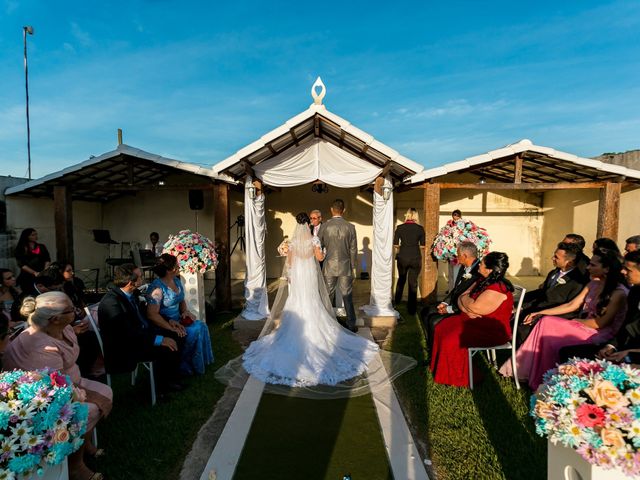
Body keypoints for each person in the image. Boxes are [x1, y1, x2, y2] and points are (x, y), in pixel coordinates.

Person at [241, 212, 379, 386]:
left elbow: (289, 263)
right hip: (309, 275)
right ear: (308, 224)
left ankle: (294, 331)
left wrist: (290, 276)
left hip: (298, 276)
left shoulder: (292, 243)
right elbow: (320, 257)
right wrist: (325, 251)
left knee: (297, 301)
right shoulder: (314, 240)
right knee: (312, 301)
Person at [3, 292, 112, 480]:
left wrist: (75, 332)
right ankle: (75, 465)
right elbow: (55, 386)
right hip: (43, 396)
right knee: (87, 411)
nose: (76, 312)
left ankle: (83, 443)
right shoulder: (40, 347)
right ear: (55, 319)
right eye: (71, 310)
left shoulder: (64, 328)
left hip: (69, 382)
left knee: (105, 391)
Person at [500, 248, 628, 389]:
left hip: (599, 332)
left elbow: (600, 323)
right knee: (545, 322)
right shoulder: (593, 284)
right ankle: (535, 374)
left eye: (592, 265)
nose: (587, 267)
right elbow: (572, 305)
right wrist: (542, 312)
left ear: (607, 269)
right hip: (583, 326)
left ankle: (538, 375)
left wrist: (574, 322)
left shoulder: (618, 293)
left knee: (547, 327)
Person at [430, 252, 514, 388]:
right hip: (475, 322)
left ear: (489, 269)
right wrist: (466, 305)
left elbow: (473, 307)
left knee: (452, 339)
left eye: (482, 263)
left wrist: (466, 303)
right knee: (442, 327)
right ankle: (443, 370)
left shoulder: (498, 289)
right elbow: (461, 298)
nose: (479, 264)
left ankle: (458, 377)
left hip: (492, 331)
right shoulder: (482, 280)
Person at [98, 264, 183, 393]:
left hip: (140, 335)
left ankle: (171, 378)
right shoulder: (112, 302)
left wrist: (169, 321)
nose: (143, 279)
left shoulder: (131, 293)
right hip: (125, 347)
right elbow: (126, 334)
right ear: (130, 282)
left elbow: (145, 313)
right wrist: (159, 340)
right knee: (165, 346)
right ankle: (160, 389)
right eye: (140, 277)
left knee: (176, 334)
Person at [559, 251, 640, 364]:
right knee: (567, 353)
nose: (623, 271)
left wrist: (630, 353)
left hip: (634, 355)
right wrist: (611, 346)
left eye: (628, 270)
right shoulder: (635, 292)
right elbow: (626, 327)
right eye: (623, 268)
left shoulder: (620, 292)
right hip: (624, 347)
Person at [146, 254, 214, 374]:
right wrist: (171, 328)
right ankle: (183, 364)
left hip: (178, 320)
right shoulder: (157, 289)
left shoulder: (176, 281)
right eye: (176, 266)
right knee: (195, 330)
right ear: (168, 270)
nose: (179, 267)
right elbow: (152, 315)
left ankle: (195, 363)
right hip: (164, 323)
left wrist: (185, 312)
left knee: (201, 325)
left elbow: (181, 299)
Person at [517, 242, 589, 344]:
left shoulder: (577, 282)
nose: (552, 259)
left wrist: (541, 315)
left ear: (570, 262)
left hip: (556, 316)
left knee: (523, 330)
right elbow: (542, 293)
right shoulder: (553, 273)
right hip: (538, 309)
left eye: (556, 257)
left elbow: (571, 308)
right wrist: (523, 305)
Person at [421, 241, 480, 349]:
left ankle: (437, 350)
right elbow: (456, 289)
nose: (456, 257)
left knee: (434, 321)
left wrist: (449, 309)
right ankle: (431, 347)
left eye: (458, 254)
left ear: (465, 255)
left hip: (464, 309)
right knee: (426, 311)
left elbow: (472, 299)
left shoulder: (479, 271)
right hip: (454, 303)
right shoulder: (463, 267)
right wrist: (444, 302)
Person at [318, 199, 358, 332]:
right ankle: (352, 324)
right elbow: (353, 249)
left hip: (329, 265)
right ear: (343, 210)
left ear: (331, 209)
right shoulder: (350, 227)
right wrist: (353, 267)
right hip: (345, 265)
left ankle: (326, 324)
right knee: (347, 295)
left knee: (328, 295)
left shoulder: (325, 226)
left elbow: (319, 245)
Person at [393, 208, 425, 314]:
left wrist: (403, 247)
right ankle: (412, 309)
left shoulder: (400, 228)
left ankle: (396, 302)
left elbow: (396, 244)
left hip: (403, 256)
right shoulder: (420, 228)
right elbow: (423, 245)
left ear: (406, 215)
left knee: (401, 279)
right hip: (415, 257)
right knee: (413, 283)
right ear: (416, 216)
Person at [14, 228, 51, 293]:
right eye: (32, 235)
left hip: (42, 274)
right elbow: (22, 264)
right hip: (27, 276)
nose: (35, 236)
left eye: (36, 234)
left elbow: (47, 259)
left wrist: (45, 270)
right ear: (27, 236)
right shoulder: (20, 248)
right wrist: (34, 273)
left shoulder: (41, 246)